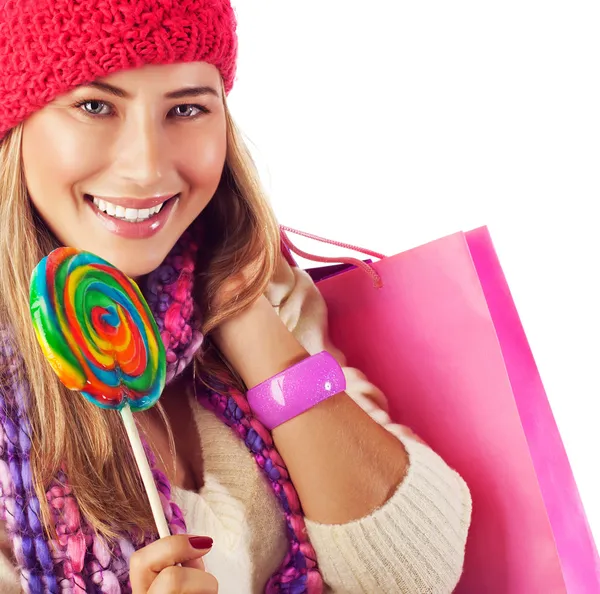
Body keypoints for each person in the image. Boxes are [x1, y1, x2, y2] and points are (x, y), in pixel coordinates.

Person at [0, 1, 472, 593]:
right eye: (95, 106)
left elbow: (415, 574)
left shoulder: (260, 287)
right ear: (15, 123)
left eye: (187, 107)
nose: (147, 167)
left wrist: (243, 314)